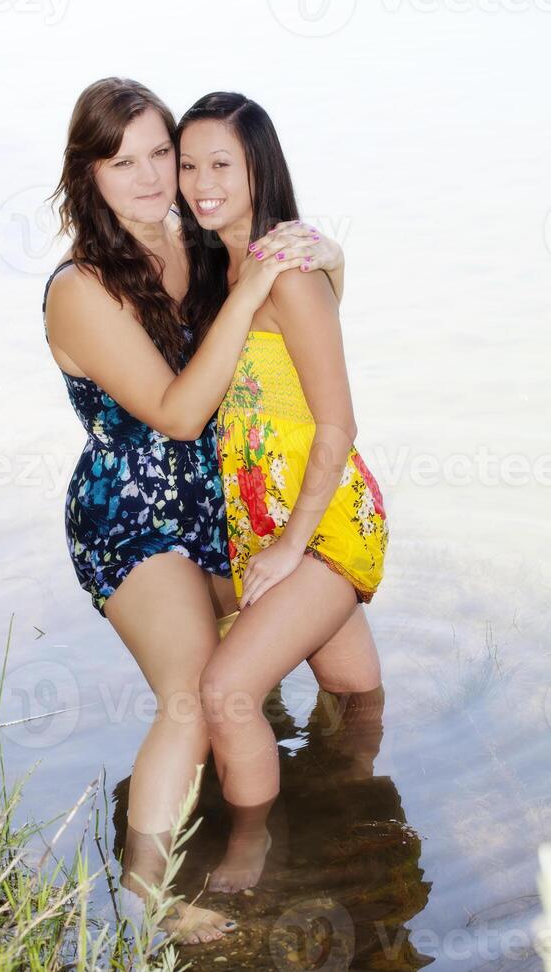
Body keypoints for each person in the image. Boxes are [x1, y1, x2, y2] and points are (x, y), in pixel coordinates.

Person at [42, 76, 345, 944]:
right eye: (121, 161)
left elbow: (293, 338)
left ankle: (312, 800)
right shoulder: (81, 287)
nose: (147, 178)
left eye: (159, 156)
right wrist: (250, 291)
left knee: (242, 688)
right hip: (132, 510)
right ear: (87, 175)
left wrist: (320, 260)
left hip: (217, 492)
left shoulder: (192, 240)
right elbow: (176, 413)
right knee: (188, 693)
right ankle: (147, 901)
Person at [175, 92, 389, 894]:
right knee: (351, 701)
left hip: (325, 521)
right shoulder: (218, 265)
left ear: (257, 166)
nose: (200, 182)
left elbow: (337, 423)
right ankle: (363, 836)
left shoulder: (289, 275)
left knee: (229, 689)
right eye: (188, 164)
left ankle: (251, 858)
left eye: (220, 164)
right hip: (263, 522)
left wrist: (292, 545)